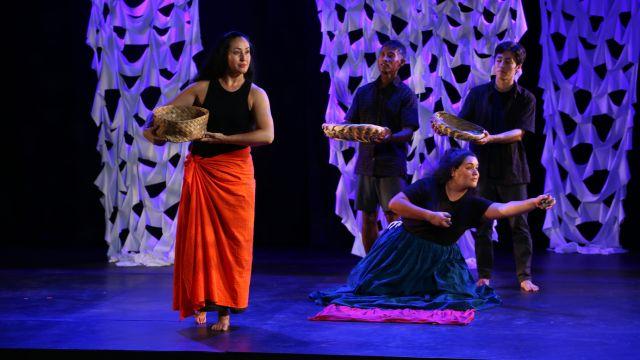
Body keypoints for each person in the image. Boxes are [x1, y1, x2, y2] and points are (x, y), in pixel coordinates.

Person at [310, 149, 554, 314]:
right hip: (405, 250)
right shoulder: (429, 186)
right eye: (469, 167)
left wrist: (533, 202)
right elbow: (395, 204)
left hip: (441, 259)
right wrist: (430, 215)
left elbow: (502, 209)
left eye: (477, 168)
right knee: (378, 292)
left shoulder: (473, 203)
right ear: (453, 170)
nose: (476, 172)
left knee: (453, 298)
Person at [143, 31, 274, 331]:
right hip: (203, 172)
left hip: (236, 173)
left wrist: (225, 139)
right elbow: (160, 118)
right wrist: (156, 131)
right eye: (237, 52)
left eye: (247, 52)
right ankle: (203, 300)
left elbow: (267, 135)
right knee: (202, 240)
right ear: (223, 55)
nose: (243, 58)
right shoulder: (201, 89)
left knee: (233, 244)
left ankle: (225, 311)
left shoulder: (256, 94)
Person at [457, 41, 540, 292]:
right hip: (480, 172)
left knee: (519, 225)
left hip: (513, 171)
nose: (502, 66)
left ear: (518, 68)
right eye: (499, 60)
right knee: (483, 225)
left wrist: (491, 138)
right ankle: (484, 276)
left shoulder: (526, 98)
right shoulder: (478, 94)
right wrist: (450, 128)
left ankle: (524, 276)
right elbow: (463, 125)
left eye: (508, 62)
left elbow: (519, 133)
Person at [345, 40, 419, 253]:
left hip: (391, 165)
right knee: (368, 216)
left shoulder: (405, 94)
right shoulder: (364, 92)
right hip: (366, 164)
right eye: (383, 55)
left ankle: (395, 268)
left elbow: (409, 130)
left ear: (401, 62)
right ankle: (372, 265)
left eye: (391, 56)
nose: (385, 59)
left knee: (393, 217)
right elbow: (350, 122)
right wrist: (341, 129)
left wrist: (389, 137)